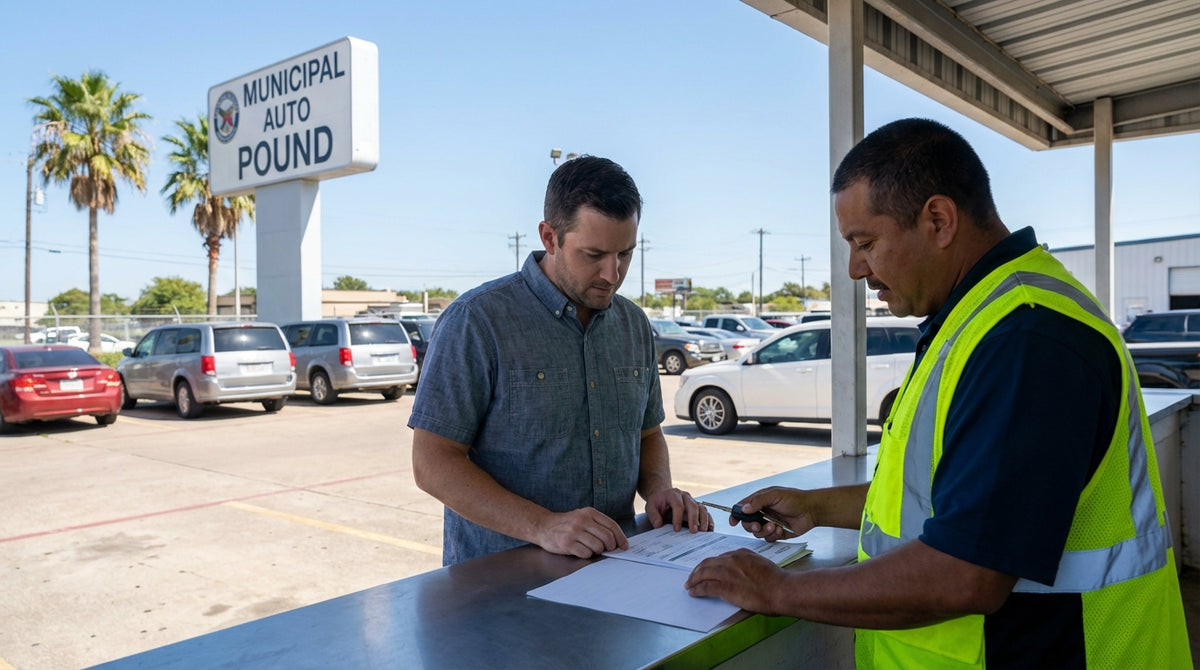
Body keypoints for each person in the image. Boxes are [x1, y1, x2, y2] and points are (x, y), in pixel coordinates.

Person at [684, 118, 1191, 668]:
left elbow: (967, 573)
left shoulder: (1025, 338)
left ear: (939, 220)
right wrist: (817, 506)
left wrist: (775, 592)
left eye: (866, 243)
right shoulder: (980, 320)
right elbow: (952, 498)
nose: (856, 268)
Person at [410, 155, 711, 566]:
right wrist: (542, 525)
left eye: (626, 253)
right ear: (550, 238)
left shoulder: (634, 323)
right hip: (503, 586)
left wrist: (659, 490)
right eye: (594, 255)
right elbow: (432, 462)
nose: (612, 273)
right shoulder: (477, 321)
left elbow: (646, 435)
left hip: (620, 570)